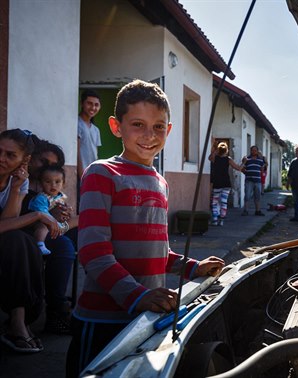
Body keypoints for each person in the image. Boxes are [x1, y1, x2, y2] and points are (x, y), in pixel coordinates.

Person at [66, 80, 224, 376]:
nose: (149, 135)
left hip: (147, 319)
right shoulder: (102, 173)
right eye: (138, 124)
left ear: (169, 130)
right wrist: (137, 296)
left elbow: (159, 253)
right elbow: (93, 253)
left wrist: (194, 268)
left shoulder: (160, 182)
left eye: (159, 126)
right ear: (116, 126)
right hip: (102, 320)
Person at [0, 129, 61, 353]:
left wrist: (16, 188)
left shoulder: (19, 182)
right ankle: (19, 323)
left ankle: (22, 320)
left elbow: (9, 223)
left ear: (24, 160)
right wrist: (36, 215)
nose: (1, 158)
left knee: (23, 241)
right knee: (20, 240)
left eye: (10, 155)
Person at [24, 138, 78, 335]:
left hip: (50, 228)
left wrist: (64, 215)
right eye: (43, 162)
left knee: (88, 231)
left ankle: (104, 295)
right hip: (29, 232)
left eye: (53, 165)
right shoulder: (22, 183)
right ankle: (57, 311)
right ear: (30, 159)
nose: (47, 168)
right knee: (63, 246)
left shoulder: (50, 188)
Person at [28, 165, 69, 255]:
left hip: (54, 221)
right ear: (40, 183)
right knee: (42, 227)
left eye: (57, 182)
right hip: (38, 221)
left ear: (64, 183)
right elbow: (43, 213)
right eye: (48, 182)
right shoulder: (41, 198)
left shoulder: (60, 196)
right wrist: (55, 222)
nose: (53, 185)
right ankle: (40, 244)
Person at [208, 142, 243, 226]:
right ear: (226, 150)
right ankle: (222, 220)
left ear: (218, 150)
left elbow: (209, 158)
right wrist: (244, 162)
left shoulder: (215, 158)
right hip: (226, 183)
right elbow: (239, 168)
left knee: (214, 202)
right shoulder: (228, 159)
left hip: (217, 182)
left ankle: (215, 219)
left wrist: (214, 149)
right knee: (223, 202)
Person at [77, 89, 102, 179]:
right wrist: (81, 175)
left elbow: (95, 154)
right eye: (89, 103)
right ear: (82, 103)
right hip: (81, 175)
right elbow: (77, 152)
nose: (93, 108)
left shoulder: (96, 130)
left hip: (91, 174)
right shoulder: (77, 124)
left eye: (96, 105)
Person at [241, 145, 266, 216]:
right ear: (250, 151)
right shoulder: (247, 159)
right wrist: (246, 173)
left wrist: (259, 174)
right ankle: (245, 210)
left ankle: (257, 211)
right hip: (249, 180)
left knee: (257, 196)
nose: (254, 151)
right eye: (252, 150)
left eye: (255, 150)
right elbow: (242, 168)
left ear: (257, 151)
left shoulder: (260, 160)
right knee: (247, 196)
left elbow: (262, 169)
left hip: (258, 181)